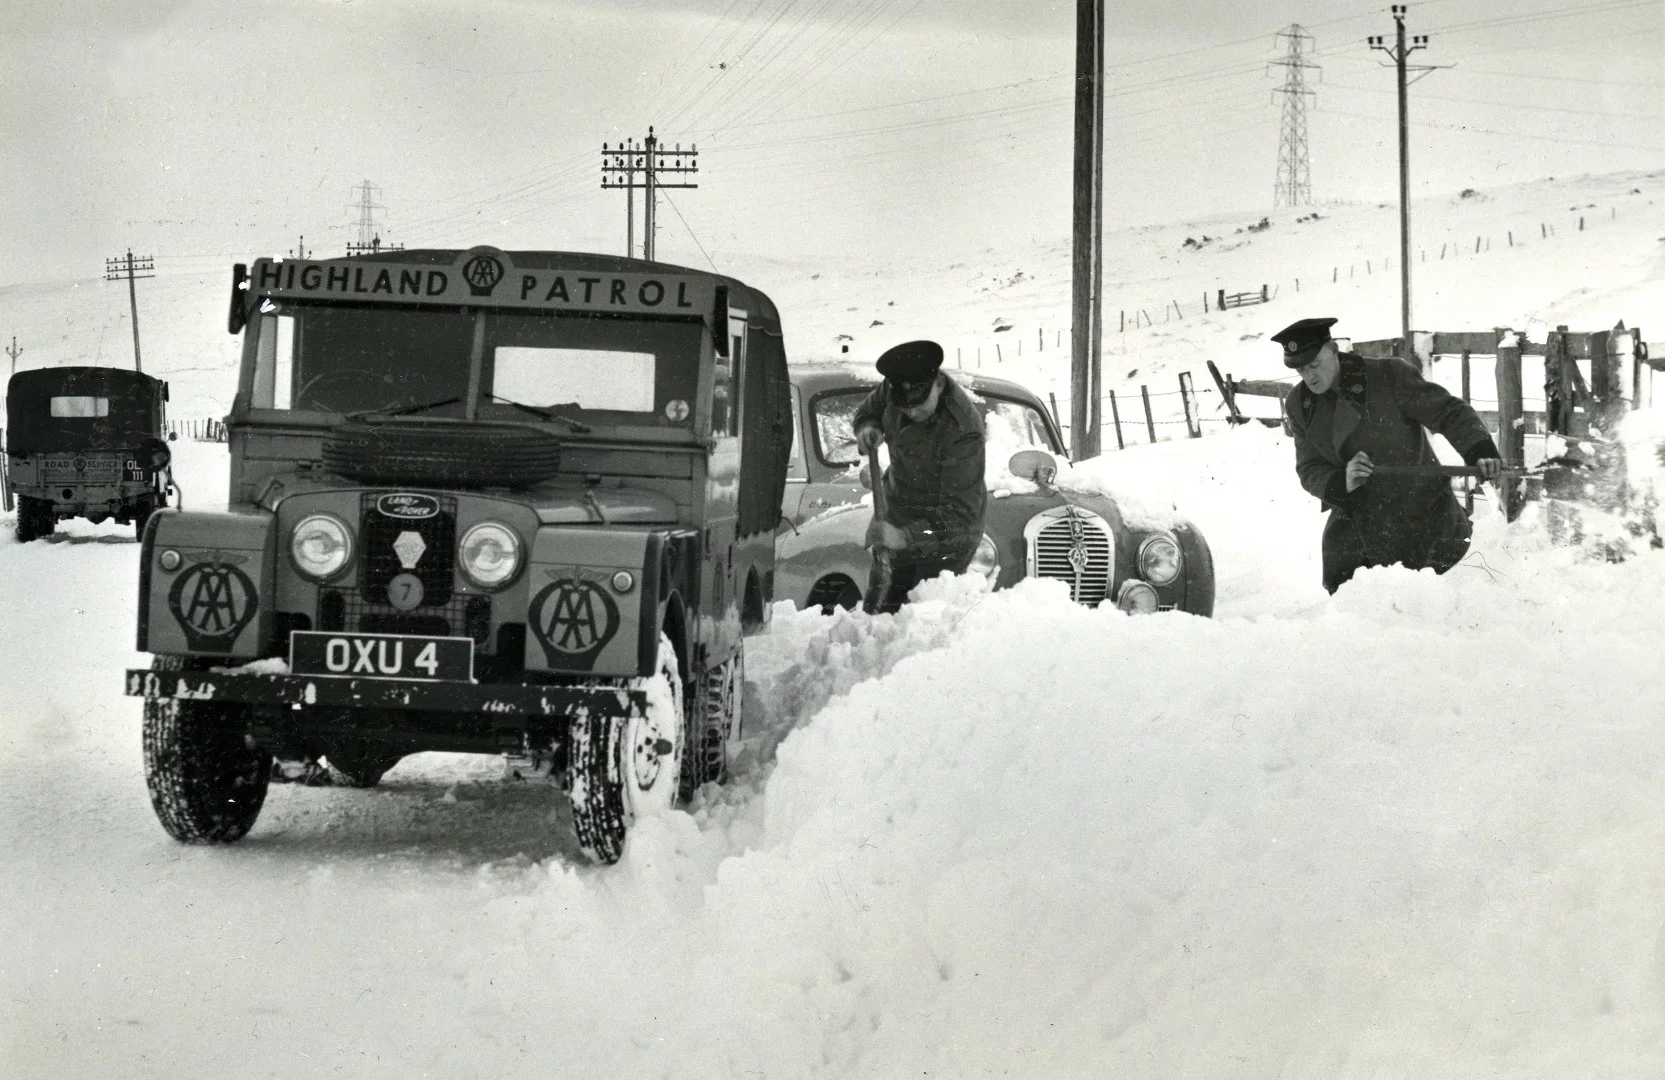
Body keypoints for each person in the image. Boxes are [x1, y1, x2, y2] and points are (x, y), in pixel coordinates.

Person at [1278, 317, 1503, 593]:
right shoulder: (1300, 404)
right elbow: (1310, 467)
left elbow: (1448, 412)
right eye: (1301, 370)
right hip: (1358, 527)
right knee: (1356, 613)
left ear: (1334, 350)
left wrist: (1480, 451)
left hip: (1422, 519)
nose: (1309, 377)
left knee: (1435, 608)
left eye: (1314, 365)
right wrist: (1342, 481)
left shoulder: (1387, 375)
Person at [852, 339, 987, 613]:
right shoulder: (894, 387)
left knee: (919, 620)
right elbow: (869, 410)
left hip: (942, 539)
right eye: (905, 407)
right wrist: (867, 427)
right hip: (896, 512)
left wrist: (905, 538)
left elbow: (959, 521)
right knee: (878, 612)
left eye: (920, 406)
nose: (912, 412)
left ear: (937, 383)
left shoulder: (963, 430)